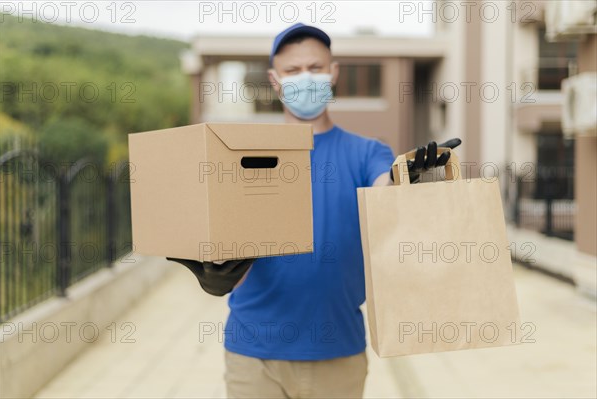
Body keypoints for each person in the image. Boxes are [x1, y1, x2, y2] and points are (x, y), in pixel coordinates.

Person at [168, 23, 460, 398]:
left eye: (315, 67)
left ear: (333, 73)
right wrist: (214, 271)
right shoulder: (246, 155)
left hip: (339, 354)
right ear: (275, 81)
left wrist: (405, 179)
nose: (305, 78)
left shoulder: (367, 153)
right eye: (292, 71)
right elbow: (223, 234)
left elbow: (382, 186)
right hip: (254, 355)